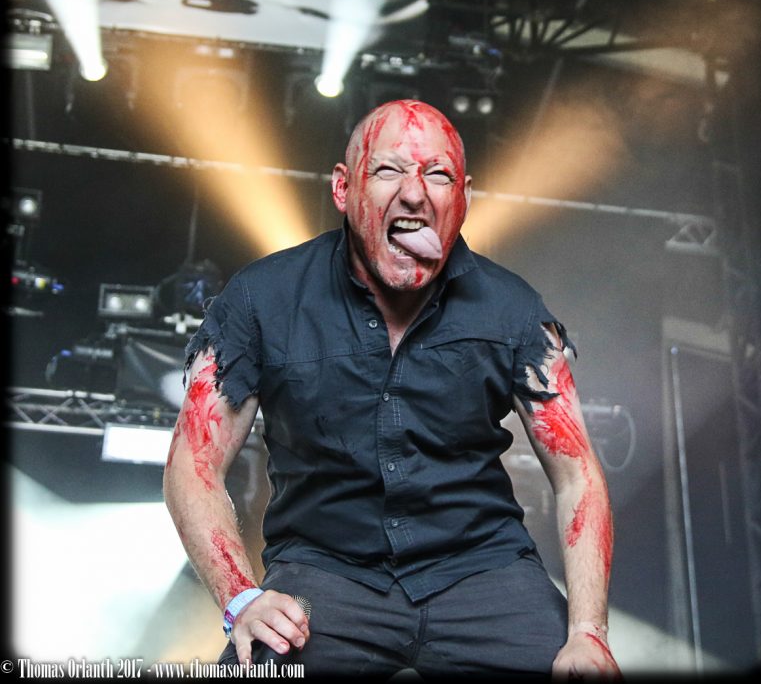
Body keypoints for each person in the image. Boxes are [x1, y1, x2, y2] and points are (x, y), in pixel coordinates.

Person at [163, 99, 622, 680]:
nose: (414, 194)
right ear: (343, 187)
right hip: (325, 573)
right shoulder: (262, 298)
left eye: (438, 174)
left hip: (483, 570)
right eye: (387, 170)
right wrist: (241, 599)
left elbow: (578, 474)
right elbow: (193, 466)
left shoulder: (513, 309)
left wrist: (588, 632)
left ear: (463, 197)